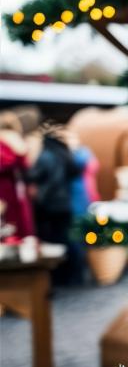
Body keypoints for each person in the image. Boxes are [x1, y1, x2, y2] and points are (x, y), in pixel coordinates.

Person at [27, 125, 81, 284]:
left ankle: (57, 276)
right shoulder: (62, 153)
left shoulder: (46, 156)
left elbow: (39, 177)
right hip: (64, 203)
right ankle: (72, 274)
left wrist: (39, 198)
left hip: (50, 205)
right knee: (66, 239)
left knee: (53, 241)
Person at [0, 112, 34, 240]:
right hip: (15, 187)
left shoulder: (4, 142)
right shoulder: (18, 141)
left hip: (6, 187)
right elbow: (25, 164)